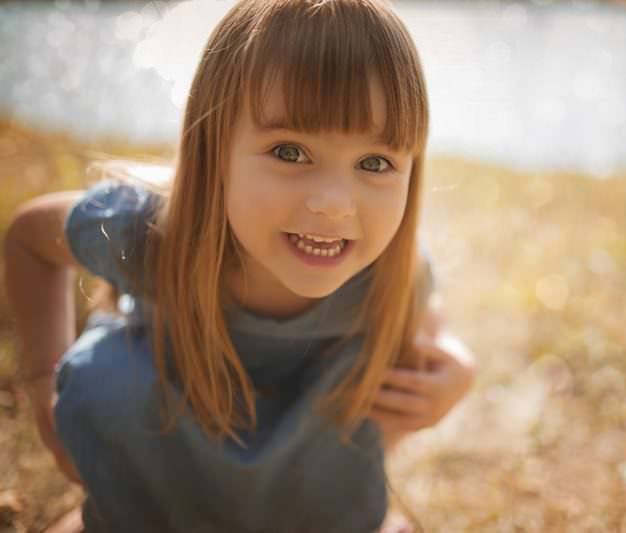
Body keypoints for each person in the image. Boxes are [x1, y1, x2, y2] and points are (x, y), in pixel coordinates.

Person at [3, 1, 476, 532]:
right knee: (111, 381)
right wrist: (44, 379)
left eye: (374, 163)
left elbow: (417, 292)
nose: (334, 202)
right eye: (290, 152)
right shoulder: (152, 234)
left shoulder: (385, 267)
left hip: (309, 468)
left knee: (358, 387)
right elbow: (29, 238)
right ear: (214, 147)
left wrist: (453, 361)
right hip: (167, 435)